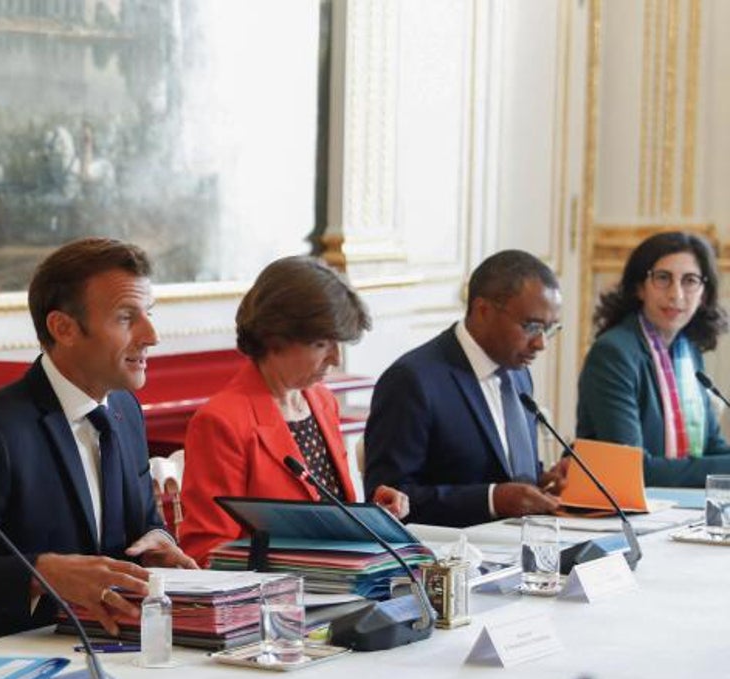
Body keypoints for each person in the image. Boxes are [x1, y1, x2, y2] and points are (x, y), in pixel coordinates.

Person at [0, 237, 196, 646]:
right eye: (127, 318)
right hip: (23, 665)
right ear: (64, 328)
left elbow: (143, 524)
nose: (151, 336)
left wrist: (158, 542)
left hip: (124, 650)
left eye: (148, 314)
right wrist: (38, 574)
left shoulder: (125, 410)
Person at [178, 257, 408, 566]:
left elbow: (321, 520)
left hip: (339, 587)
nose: (335, 359)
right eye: (322, 344)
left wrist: (371, 516)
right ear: (276, 337)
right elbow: (208, 550)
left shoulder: (321, 401)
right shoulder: (222, 421)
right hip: (274, 602)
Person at [364, 250, 570, 527]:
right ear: (483, 310)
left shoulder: (519, 375)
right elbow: (386, 501)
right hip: (449, 558)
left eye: (550, 329)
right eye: (531, 326)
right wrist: (490, 500)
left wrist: (544, 481)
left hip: (521, 545)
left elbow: (503, 470)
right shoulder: (413, 380)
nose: (541, 343)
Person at [576, 231, 730, 486]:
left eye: (690, 281)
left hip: (678, 511)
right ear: (639, 287)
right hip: (618, 513)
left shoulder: (687, 352)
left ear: (703, 294)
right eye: (663, 278)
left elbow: (711, 447)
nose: (676, 295)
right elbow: (633, 469)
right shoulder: (614, 354)